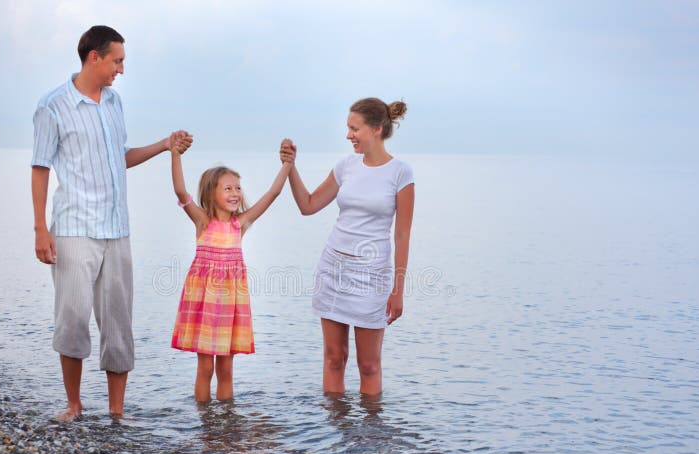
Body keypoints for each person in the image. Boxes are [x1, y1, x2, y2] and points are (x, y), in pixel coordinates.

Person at [31, 25, 186, 421]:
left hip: (117, 230)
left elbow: (122, 156)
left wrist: (165, 145)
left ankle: (117, 411)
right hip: (73, 229)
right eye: (117, 60)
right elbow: (40, 169)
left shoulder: (115, 102)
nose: (121, 69)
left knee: (118, 324)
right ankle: (74, 404)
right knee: (72, 318)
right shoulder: (52, 106)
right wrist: (40, 229)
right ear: (94, 57)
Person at [281, 98, 414, 396]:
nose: (348, 135)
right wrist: (290, 167)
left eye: (355, 129)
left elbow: (402, 234)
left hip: (372, 276)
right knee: (333, 359)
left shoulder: (401, 173)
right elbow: (309, 205)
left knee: (369, 365)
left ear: (377, 129)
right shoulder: (345, 166)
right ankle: (334, 435)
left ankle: (370, 438)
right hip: (333, 270)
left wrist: (398, 289)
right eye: (348, 128)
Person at [168, 131, 291, 402]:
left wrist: (287, 165)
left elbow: (273, 193)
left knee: (226, 368)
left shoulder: (241, 224)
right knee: (205, 367)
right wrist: (175, 155)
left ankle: (226, 422)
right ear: (211, 193)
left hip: (229, 304)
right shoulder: (202, 221)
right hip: (204, 302)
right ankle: (203, 421)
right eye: (228, 188)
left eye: (237, 187)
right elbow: (179, 190)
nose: (235, 193)